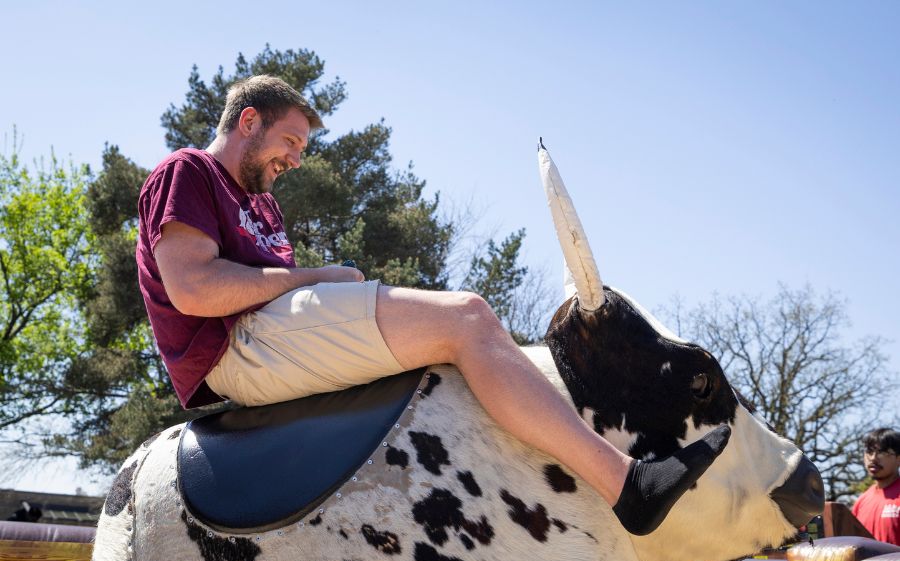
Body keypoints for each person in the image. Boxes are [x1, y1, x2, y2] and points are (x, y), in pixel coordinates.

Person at [136, 74, 731, 536]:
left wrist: (317, 283)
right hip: (232, 349)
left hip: (268, 337)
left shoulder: (263, 207)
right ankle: (627, 485)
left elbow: (271, 284)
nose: (295, 158)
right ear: (248, 121)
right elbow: (195, 291)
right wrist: (314, 277)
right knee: (465, 317)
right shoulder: (188, 171)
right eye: (290, 141)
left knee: (449, 362)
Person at [852, 427, 900, 545]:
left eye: (882, 452)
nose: (873, 458)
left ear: (898, 458)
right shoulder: (861, 501)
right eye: (869, 451)